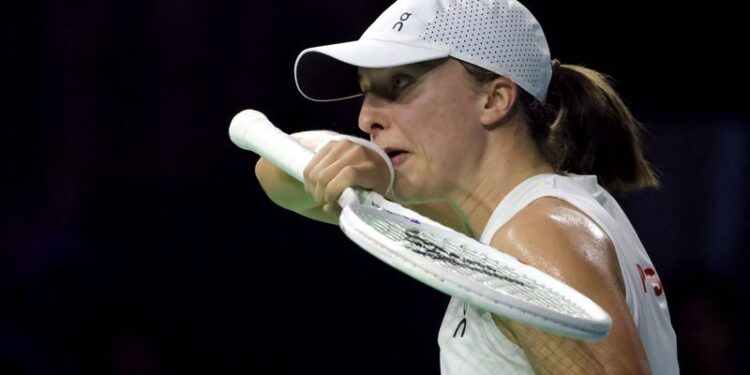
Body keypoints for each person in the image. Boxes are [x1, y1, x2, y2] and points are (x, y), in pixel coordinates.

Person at [254, 0, 679, 373]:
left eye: (400, 83)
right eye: (367, 92)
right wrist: (369, 166)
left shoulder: (533, 234)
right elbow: (276, 175)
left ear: (494, 100)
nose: (367, 120)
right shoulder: (502, 218)